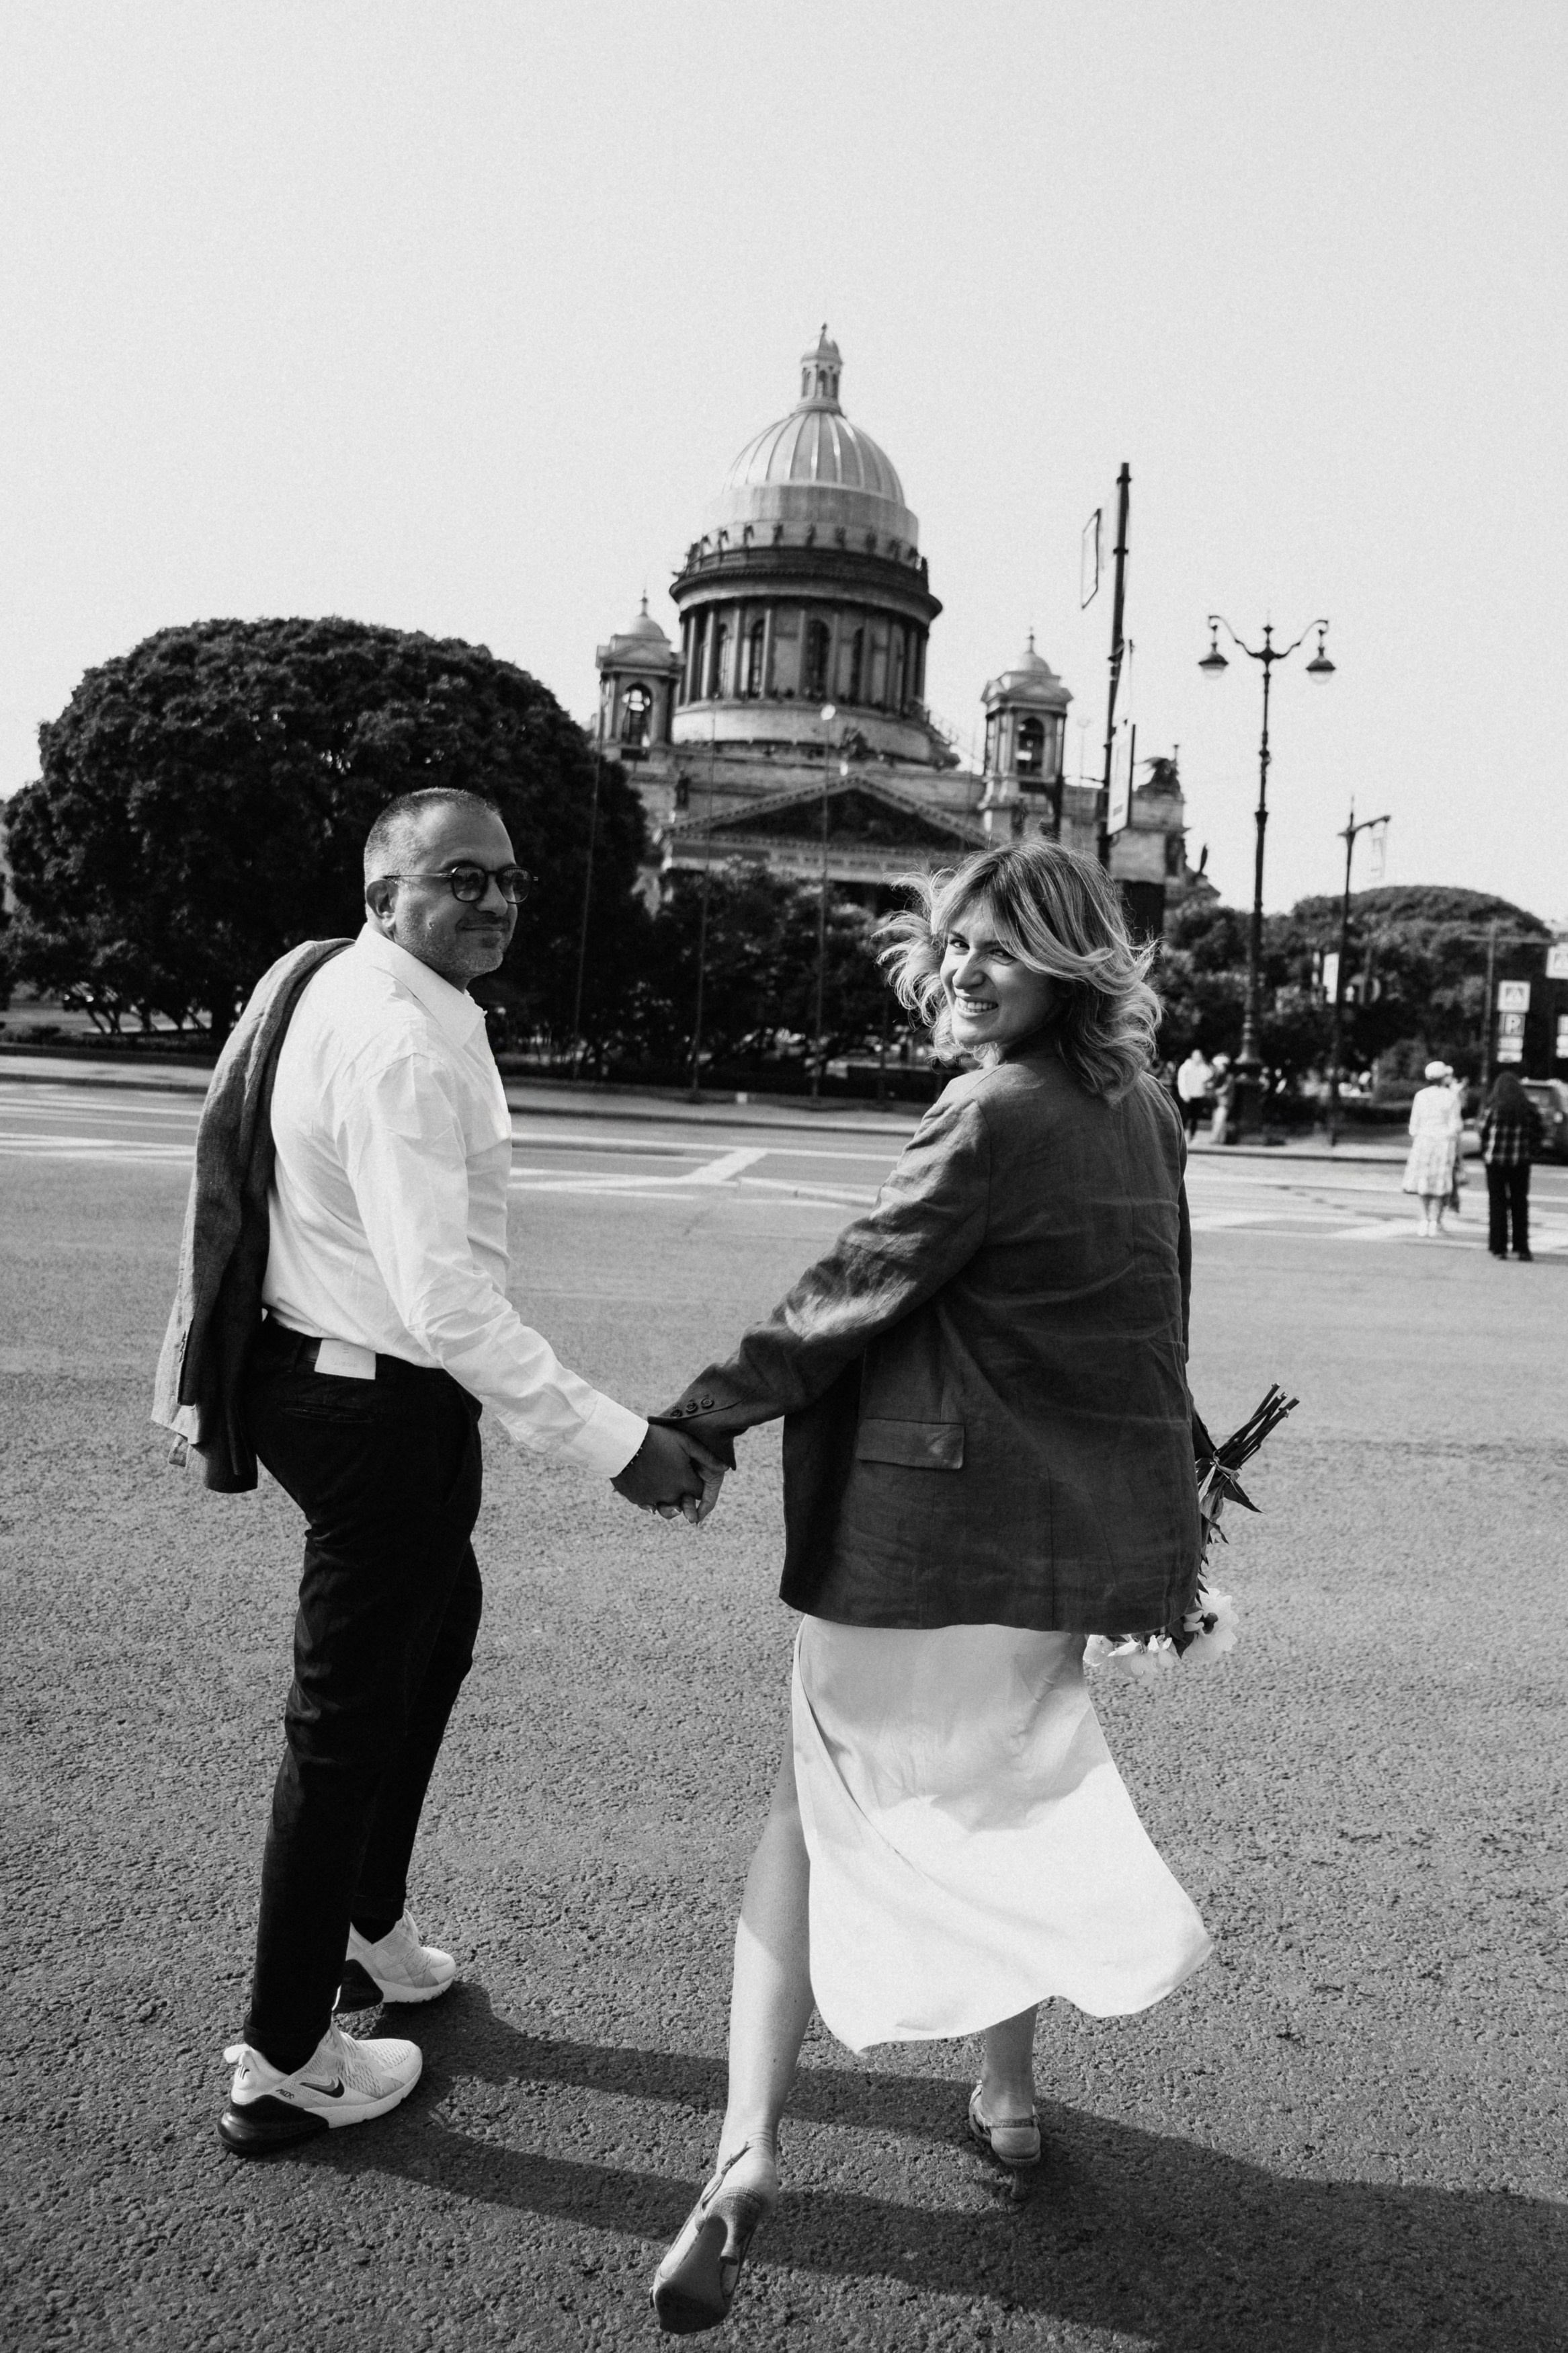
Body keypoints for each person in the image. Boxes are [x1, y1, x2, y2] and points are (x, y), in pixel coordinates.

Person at [645, 840, 1211, 2335]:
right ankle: (1005, 2093)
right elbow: (1156, 1324)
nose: (962, 970)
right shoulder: (1142, 1111)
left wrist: (699, 1414)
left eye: (998, 950)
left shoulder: (987, 1111)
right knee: (1005, 1802)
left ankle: (746, 2147)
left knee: (804, 1815)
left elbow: (848, 1288)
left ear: (1067, 965)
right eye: (955, 942)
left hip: (917, 1541)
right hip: (1050, 1550)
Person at [169, 788, 720, 2156]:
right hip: (370, 1401)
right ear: (382, 893)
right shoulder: (400, 1044)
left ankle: (369, 1922)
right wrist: (621, 1447)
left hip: (334, 1379)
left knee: (440, 1625)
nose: (493, 902)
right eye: (458, 878)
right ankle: (285, 2056)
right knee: (345, 1715)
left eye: (509, 882)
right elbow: (447, 1308)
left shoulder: (359, 985)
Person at [1479, 1069, 1543, 1261]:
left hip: (1495, 1162)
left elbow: (1482, 1131)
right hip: (1520, 1162)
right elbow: (1537, 1133)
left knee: (1497, 1203)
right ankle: (1522, 1247)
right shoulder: (1529, 1108)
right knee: (1520, 1203)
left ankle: (1499, 1247)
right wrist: (1531, 1152)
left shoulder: (1492, 1106)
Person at [1401, 1059, 1464, 1236]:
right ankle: (1435, 1222)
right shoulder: (1451, 1096)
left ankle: (1424, 1220)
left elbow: (1414, 1125)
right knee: (1440, 1185)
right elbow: (1456, 1125)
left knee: (1423, 1183)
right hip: (1443, 1145)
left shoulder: (1421, 1095)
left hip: (1423, 1142)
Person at [1175, 1045, 1214, 1139]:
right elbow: (1182, 1082)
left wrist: (1204, 1065)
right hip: (1188, 1095)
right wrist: (1184, 1095)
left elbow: (1207, 1076)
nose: (1198, 1058)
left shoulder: (1202, 1067)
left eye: (1199, 1056)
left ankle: (1192, 1135)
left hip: (1198, 1095)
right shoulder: (1186, 1067)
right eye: (1196, 1056)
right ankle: (1181, 1135)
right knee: (1185, 1117)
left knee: (1195, 1118)